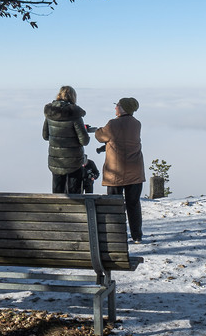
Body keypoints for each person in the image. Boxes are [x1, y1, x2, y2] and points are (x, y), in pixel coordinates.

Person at [95, 96, 145, 243]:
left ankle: (116, 235)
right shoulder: (137, 124)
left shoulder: (112, 124)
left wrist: (97, 130)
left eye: (117, 105)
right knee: (133, 204)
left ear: (123, 108)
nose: (115, 107)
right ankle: (137, 235)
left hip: (115, 173)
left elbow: (100, 136)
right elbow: (122, 140)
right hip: (135, 171)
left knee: (114, 205)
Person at [42, 85, 90, 193]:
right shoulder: (75, 115)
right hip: (74, 162)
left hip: (56, 162)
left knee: (57, 194)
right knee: (74, 195)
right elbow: (84, 141)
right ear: (73, 96)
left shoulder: (50, 114)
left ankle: (57, 209)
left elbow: (45, 136)